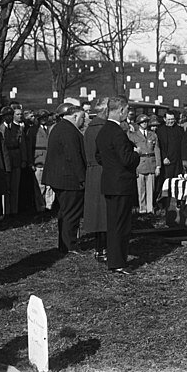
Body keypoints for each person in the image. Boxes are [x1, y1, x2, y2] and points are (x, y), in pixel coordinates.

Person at [95, 95, 141, 275]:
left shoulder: (103, 131)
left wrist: (111, 166)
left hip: (110, 182)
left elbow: (98, 157)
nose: (128, 113)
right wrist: (136, 153)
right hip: (121, 184)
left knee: (114, 224)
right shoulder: (117, 133)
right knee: (121, 225)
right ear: (121, 110)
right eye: (127, 110)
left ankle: (114, 260)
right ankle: (118, 262)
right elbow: (127, 159)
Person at [43, 103, 87, 255]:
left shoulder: (60, 128)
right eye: (82, 118)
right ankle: (70, 245)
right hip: (69, 179)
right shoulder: (69, 131)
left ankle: (64, 244)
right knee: (71, 213)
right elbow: (74, 156)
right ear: (74, 116)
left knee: (65, 212)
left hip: (60, 177)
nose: (83, 121)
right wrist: (82, 178)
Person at [82, 98, 109, 263]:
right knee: (104, 213)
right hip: (102, 172)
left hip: (93, 172)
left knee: (98, 213)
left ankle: (100, 248)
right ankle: (103, 249)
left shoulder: (90, 129)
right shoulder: (103, 129)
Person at [0, 104, 28, 216]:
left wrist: (24, 160)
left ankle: (14, 211)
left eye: (10, 115)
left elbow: (22, 145)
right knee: (5, 187)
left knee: (15, 187)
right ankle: (6, 211)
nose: (8, 117)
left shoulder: (18, 129)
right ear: (2, 117)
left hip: (16, 158)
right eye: (6, 116)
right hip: (5, 161)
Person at [128, 114, 162, 214]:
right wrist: (133, 167)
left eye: (146, 122)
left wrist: (158, 166)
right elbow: (131, 151)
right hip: (140, 164)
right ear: (139, 124)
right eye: (142, 122)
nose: (145, 124)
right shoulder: (133, 136)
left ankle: (150, 209)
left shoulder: (153, 135)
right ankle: (142, 209)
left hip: (151, 163)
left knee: (151, 188)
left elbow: (157, 150)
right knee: (141, 189)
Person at [26, 109, 55, 213]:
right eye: (41, 118)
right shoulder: (33, 130)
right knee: (40, 186)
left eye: (45, 117)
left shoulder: (51, 128)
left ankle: (49, 206)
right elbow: (29, 147)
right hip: (38, 161)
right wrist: (30, 162)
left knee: (50, 186)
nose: (44, 119)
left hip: (49, 161)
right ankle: (41, 207)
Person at [157, 109, 185, 186]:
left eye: (172, 119)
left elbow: (183, 145)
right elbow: (159, 146)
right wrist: (164, 157)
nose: (171, 121)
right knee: (167, 182)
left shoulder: (180, 130)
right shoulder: (160, 131)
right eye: (169, 119)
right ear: (164, 119)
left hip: (177, 161)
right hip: (167, 161)